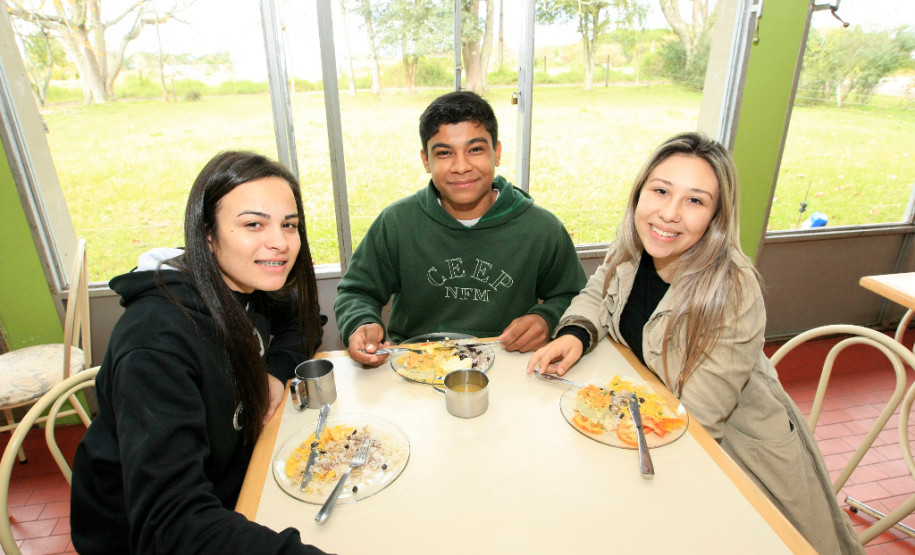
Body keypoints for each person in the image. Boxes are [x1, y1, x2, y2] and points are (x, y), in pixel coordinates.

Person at [527, 132, 863, 554]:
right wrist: (576, 334)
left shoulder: (733, 290)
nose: (668, 214)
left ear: (716, 217)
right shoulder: (635, 245)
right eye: (661, 191)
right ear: (639, 193)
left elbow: (700, 420)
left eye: (695, 200)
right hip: (652, 431)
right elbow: (598, 292)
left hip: (738, 459)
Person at [70, 151, 328, 554]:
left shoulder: (248, 286)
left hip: (233, 484)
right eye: (253, 224)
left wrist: (274, 374)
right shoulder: (155, 345)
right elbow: (170, 524)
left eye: (289, 225)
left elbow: (305, 317)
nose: (279, 242)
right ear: (207, 234)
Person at [334, 91, 587, 366]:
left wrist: (546, 318)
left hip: (509, 364)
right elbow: (357, 292)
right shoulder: (397, 223)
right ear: (425, 161)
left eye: (475, 149)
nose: (461, 166)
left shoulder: (541, 228)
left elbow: (574, 295)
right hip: (415, 365)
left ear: (497, 152)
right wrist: (361, 322)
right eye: (444, 153)